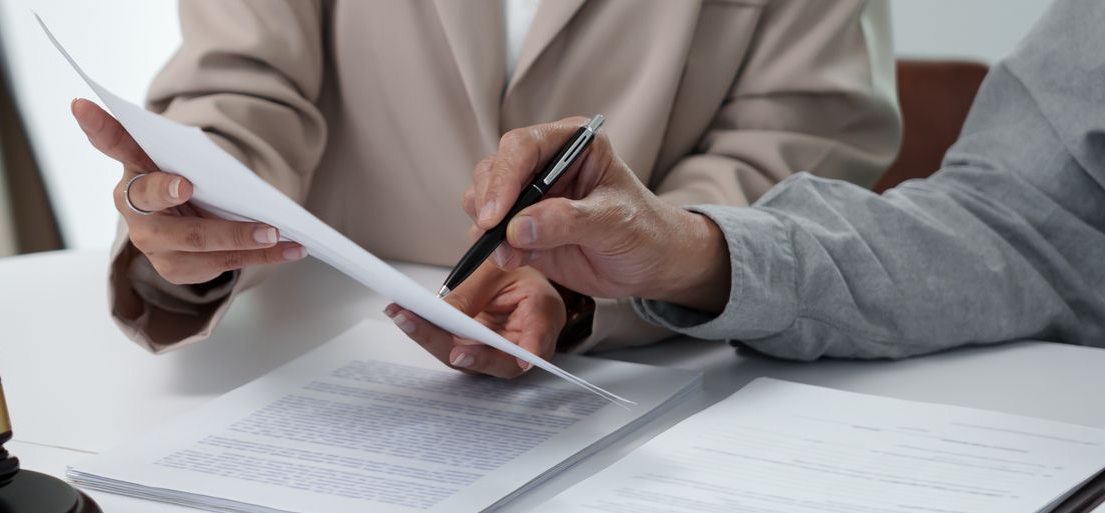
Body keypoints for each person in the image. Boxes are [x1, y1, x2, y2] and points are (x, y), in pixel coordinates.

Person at [74, 0, 902, 378]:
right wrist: (196, 208)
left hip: (649, 375)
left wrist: (589, 286)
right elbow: (243, 82)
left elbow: (797, 139)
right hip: (313, 357)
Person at [400, 0, 1104, 361]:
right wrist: (685, 250)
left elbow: (800, 133)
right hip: (331, 334)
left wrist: (601, 283)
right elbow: (1024, 223)